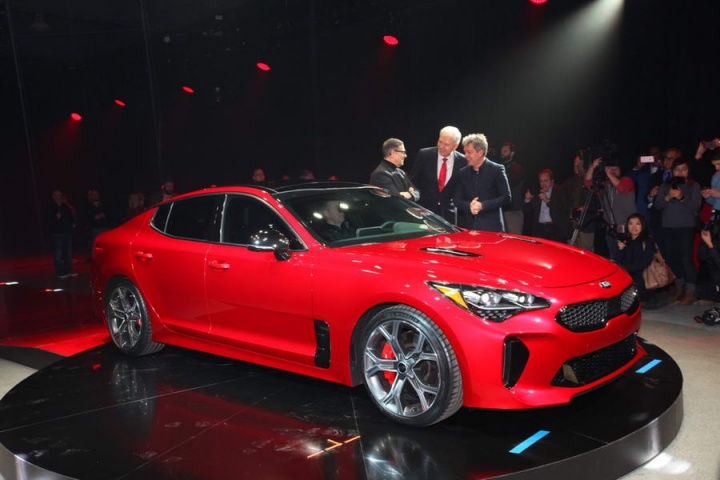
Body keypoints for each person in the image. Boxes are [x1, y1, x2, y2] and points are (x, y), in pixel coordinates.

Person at [653, 158, 702, 304]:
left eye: (684, 169)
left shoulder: (693, 186)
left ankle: (690, 291)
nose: (680, 172)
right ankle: (679, 287)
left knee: (686, 258)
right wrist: (668, 196)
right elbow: (658, 205)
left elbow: (696, 207)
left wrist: (681, 198)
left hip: (686, 227)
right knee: (671, 257)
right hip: (668, 226)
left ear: (688, 171)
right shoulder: (666, 185)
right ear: (672, 171)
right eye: (677, 169)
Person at [448, 133, 511, 232]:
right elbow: (456, 199)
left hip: (491, 228)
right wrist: (469, 206)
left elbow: (506, 197)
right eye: (465, 152)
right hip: (467, 227)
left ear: (480, 152)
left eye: (469, 152)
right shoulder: (462, 173)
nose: (465, 156)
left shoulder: (497, 170)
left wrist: (483, 205)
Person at [410, 126, 465, 222]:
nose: (441, 146)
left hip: (448, 215)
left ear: (455, 146)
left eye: (446, 144)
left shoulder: (463, 161)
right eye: (440, 142)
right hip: (423, 211)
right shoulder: (424, 155)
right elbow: (413, 182)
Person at [584, 157, 636, 258]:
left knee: (626, 259)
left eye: (615, 169)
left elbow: (621, 188)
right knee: (613, 258)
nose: (613, 171)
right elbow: (588, 183)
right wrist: (592, 166)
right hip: (611, 231)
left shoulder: (627, 181)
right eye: (610, 169)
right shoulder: (605, 186)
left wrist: (608, 174)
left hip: (627, 230)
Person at [612, 213, 658, 308]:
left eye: (637, 224)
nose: (634, 227)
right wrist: (620, 249)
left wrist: (625, 269)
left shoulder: (647, 240)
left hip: (643, 276)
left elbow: (645, 263)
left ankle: (645, 298)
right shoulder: (625, 240)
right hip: (628, 274)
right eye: (630, 223)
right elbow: (617, 261)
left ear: (642, 226)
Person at [522, 169, 571, 242]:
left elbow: (564, 209)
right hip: (540, 228)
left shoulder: (560, 191)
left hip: (555, 228)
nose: (543, 184)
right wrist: (527, 199)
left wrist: (548, 201)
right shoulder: (537, 192)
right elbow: (526, 210)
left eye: (545, 181)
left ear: (552, 181)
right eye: (541, 181)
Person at [565, 154, 597, 251]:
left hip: (587, 224)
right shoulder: (569, 183)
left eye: (579, 162)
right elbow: (565, 203)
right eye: (575, 162)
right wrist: (573, 212)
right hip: (572, 224)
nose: (577, 164)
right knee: (571, 252)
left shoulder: (593, 181)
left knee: (586, 252)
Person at [47, 189, 78, 279]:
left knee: (68, 252)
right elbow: (47, 220)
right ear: (53, 197)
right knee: (58, 252)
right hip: (57, 232)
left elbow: (70, 216)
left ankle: (68, 270)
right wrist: (55, 218)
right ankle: (60, 272)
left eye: (59, 195)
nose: (58, 197)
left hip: (67, 231)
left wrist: (72, 222)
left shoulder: (64, 206)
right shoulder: (50, 207)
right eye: (56, 195)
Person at [498, 142, 526, 235]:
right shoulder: (500, 167)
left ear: (512, 153)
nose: (502, 153)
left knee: (514, 237)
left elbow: (508, 184)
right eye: (502, 151)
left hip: (513, 211)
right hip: (501, 210)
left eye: (505, 151)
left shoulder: (517, 168)